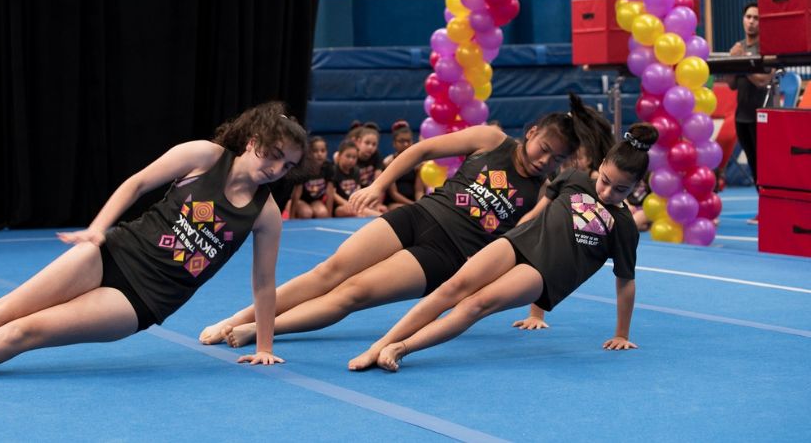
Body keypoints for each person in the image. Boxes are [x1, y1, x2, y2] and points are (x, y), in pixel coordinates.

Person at [0, 102, 306, 381]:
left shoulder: (264, 215)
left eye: (286, 165)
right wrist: (99, 229)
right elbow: (136, 183)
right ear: (251, 141)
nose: (275, 168)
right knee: (1, 311)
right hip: (112, 252)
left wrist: (264, 343)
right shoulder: (204, 156)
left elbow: (264, 283)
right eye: (272, 155)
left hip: (140, 299)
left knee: (24, 332)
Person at [198, 94, 610, 349]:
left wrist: (538, 310)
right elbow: (420, 151)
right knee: (330, 271)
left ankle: (262, 331)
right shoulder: (491, 140)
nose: (544, 161)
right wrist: (379, 185)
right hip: (418, 215)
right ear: (532, 130)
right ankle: (237, 318)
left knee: (353, 293)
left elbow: (533, 249)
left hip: (447, 254)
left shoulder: (541, 192)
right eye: (543, 148)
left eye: (556, 159)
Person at [347, 123, 658, 372]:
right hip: (516, 242)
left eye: (621, 189)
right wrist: (535, 313)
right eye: (605, 180)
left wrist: (621, 334)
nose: (606, 192)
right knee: (451, 287)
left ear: (636, 187)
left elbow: (625, 282)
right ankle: (379, 345)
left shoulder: (624, 226)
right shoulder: (573, 178)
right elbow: (539, 216)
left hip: (543, 272)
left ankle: (402, 348)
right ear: (601, 165)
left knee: (474, 305)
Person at [727, 2, 772, 225]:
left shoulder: (767, 48)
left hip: (762, 117)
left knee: (766, 166)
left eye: (756, 18)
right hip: (741, 116)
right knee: (754, 165)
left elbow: (764, 82)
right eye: (748, 17)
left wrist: (743, 60)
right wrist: (732, 60)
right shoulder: (739, 46)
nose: (752, 22)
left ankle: (770, 208)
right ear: (743, 19)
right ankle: (762, 209)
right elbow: (731, 84)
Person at [332, 141, 385, 218]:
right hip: (339, 207)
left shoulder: (356, 170)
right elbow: (333, 194)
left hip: (353, 205)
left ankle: (380, 216)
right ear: (339, 156)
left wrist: (361, 204)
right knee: (356, 211)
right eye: (348, 156)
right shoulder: (334, 171)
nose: (351, 160)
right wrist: (346, 203)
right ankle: (382, 217)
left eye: (354, 157)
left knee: (375, 208)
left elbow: (357, 190)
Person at [289, 136, 334, 219]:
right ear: (309, 153)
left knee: (323, 213)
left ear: (327, 152)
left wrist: (329, 217)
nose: (319, 154)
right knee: (306, 213)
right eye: (315, 151)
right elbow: (296, 194)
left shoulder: (328, 167)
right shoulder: (304, 169)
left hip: (315, 200)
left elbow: (330, 193)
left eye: (322, 151)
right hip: (301, 200)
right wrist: (291, 217)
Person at [383, 120, 422, 209]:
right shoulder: (388, 162)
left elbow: (419, 190)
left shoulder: (418, 164)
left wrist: (419, 204)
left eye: (408, 141)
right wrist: (412, 205)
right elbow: (393, 193)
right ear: (394, 143)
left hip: (413, 202)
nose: (406, 144)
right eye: (401, 141)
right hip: (395, 203)